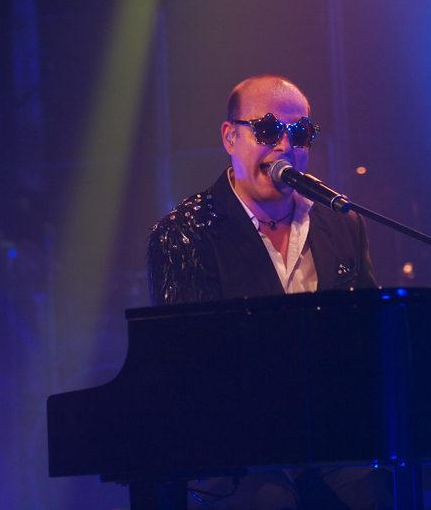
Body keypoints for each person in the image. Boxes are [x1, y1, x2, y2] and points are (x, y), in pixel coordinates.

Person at [147, 75, 393, 509]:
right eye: (266, 129)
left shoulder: (341, 222)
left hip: (328, 433)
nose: (284, 145)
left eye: (300, 133)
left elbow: (368, 333)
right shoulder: (184, 233)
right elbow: (188, 365)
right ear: (230, 137)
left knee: (377, 490)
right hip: (236, 441)